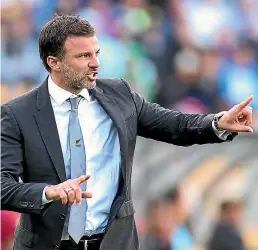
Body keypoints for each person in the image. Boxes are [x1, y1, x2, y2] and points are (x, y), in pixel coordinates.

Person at [0, 14, 254, 250]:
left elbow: (174, 125)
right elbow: (3, 186)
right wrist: (47, 192)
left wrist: (217, 123)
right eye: (83, 56)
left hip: (114, 243)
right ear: (53, 62)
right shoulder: (17, 114)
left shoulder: (119, 94)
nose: (96, 63)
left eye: (96, 53)